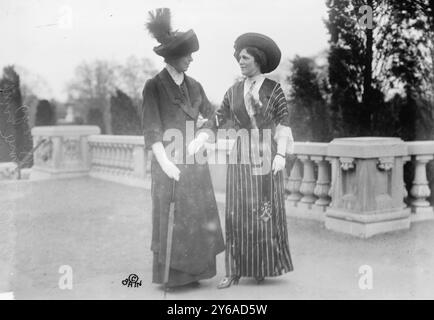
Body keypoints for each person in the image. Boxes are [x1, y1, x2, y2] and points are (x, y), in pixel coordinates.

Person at [189, 32, 294, 289]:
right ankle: (233, 271)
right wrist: (203, 137)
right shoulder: (233, 91)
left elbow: (283, 123)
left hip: (267, 154)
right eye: (239, 58)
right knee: (236, 212)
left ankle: (262, 266)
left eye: (245, 57)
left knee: (263, 211)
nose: (241, 61)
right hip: (240, 154)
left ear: (257, 59)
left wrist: (281, 153)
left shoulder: (273, 89)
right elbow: (217, 118)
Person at [142, 8, 224, 289]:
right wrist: (165, 163)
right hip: (169, 162)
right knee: (170, 218)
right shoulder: (153, 86)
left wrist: (202, 136)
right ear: (172, 57)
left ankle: (195, 274)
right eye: (187, 54)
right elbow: (151, 128)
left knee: (196, 216)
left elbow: (214, 117)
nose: (191, 58)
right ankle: (173, 278)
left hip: (195, 162)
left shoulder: (195, 86)